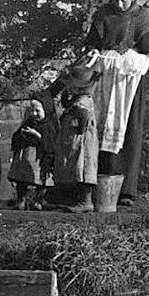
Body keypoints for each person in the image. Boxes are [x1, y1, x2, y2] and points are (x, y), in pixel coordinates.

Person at [83, 0, 149, 207]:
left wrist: (139, 58)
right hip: (104, 79)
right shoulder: (103, 16)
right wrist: (94, 51)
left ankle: (127, 190)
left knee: (130, 128)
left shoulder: (141, 17)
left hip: (129, 81)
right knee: (103, 126)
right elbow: (92, 43)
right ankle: (102, 182)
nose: (119, 4)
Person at [52, 65, 99, 213]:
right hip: (80, 138)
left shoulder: (82, 102)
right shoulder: (78, 99)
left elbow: (84, 116)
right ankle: (81, 200)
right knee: (78, 169)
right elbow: (68, 105)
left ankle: (86, 202)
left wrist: (81, 131)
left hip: (82, 140)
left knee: (84, 169)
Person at [7, 100, 48, 210]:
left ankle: (36, 200)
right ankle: (21, 200)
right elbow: (17, 137)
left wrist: (36, 134)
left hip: (39, 157)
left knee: (39, 181)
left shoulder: (47, 125)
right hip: (24, 155)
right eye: (31, 111)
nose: (34, 114)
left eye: (37, 111)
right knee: (21, 180)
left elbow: (49, 141)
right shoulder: (26, 124)